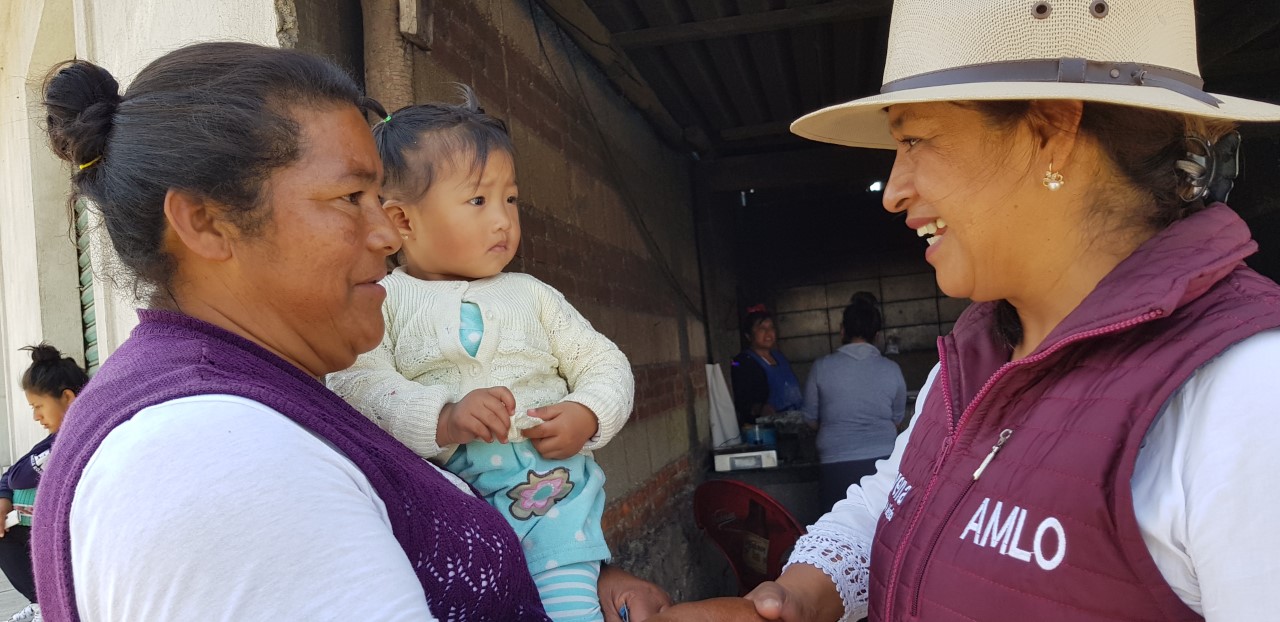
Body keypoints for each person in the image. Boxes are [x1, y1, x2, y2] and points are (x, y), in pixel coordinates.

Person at [655, 0, 1280, 620]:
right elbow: (893, 503)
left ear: (1051, 133)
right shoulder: (973, 358)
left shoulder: (1247, 391)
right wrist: (793, 600)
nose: (893, 191)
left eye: (914, 139)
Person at [32, 42, 669, 621]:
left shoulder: (250, 403)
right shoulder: (210, 459)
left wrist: (572, 579)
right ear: (206, 222)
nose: (388, 234)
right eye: (350, 198)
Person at [327, 90, 634, 622]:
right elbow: (357, 384)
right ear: (402, 221)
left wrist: (589, 413)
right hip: (451, 512)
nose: (503, 221)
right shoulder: (384, 300)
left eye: (509, 200)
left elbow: (604, 363)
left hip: (556, 506)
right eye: (478, 201)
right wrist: (443, 417)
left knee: (568, 612)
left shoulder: (533, 296)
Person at [1, 344, 89, 622]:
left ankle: (51, 606)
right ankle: (41, 603)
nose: (36, 416)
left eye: (38, 406)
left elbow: (19, 476)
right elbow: (11, 477)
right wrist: (3, 502)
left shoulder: (81, 437)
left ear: (68, 397)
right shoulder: (55, 439)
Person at [802, 293, 905, 510]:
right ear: (877, 335)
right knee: (883, 524)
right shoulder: (892, 369)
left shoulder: (821, 367)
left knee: (838, 522)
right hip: (884, 464)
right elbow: (897, 420)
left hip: (835, 464)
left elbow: (810, 419)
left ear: (842, 331)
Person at [730, 305, 803, 429]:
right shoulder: (741, 362)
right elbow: (741, 399)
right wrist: (760, 408)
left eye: (771, 327)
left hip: (796, 421)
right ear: (748, 335)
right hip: (768, 428)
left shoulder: (779, 357)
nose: (768, 333)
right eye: (762, 328)